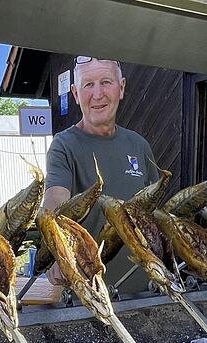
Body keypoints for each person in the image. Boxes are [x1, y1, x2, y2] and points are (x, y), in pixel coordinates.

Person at [43, 56, 159, 293]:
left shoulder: (139, 145)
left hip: (144, 290)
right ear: (75, 94)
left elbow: (154, 213)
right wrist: (55, 247)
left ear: (121, 88)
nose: (97, 94)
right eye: (88, 85)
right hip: (88, 293)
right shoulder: (64, 145)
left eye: (106, 82)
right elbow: (55, 198)